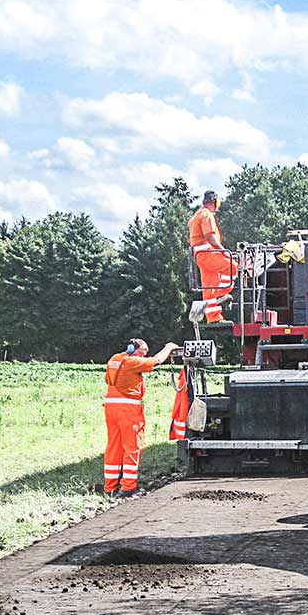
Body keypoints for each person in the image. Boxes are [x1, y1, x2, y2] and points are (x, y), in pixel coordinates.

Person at [103, 337, 178, 496]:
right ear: (133, 351)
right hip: (128, 409)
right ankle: (128, 487)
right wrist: (169, 347)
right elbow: (156, 360)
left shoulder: (114, 359)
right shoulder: (132, 361)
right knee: (133, 446)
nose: (142, 357)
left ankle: (110, 487)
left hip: (110, 407)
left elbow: (107, 379)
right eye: (142, 354)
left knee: (114, 447)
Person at [188, 190, 237, 323]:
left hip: (200, 256)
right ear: (214, 202)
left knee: (209, 288)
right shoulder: (206, 215)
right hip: (207, 254)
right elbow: (210, 236)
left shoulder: (195, 216)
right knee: (232, 265)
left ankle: (213, 317)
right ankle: (222, 294)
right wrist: (224, 251)